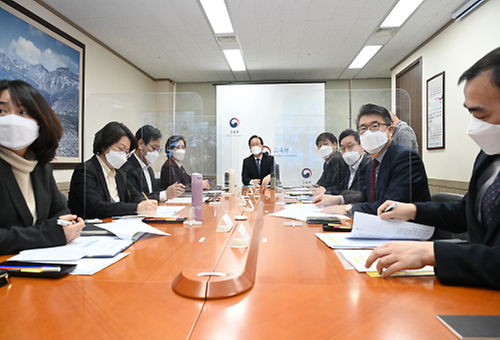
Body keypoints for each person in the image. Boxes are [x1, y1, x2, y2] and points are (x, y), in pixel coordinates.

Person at [366, 47, 500, 290]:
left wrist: (433, 253)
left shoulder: (403, 156)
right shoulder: (489, 154)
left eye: (481, 115)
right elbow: (463, 214)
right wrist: (413, 210)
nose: (473, 127)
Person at [0, 79, 84, 255]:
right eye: (2, 111)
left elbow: (60, 210)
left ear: (40, 120)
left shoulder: (40, 167)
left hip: (37, 266)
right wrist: (48, 234)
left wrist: (66, 224)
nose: (12, 120)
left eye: (22, 112)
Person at [325, 104, 430, 216]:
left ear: (390, 130)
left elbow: (390, 206)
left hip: (408, 229)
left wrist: (349, 208)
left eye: (375, 126)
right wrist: (338, 200)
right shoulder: (373, 163)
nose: (368, 133)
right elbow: (366, 197)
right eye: (363, 128)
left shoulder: (405, 158)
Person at [68, 121, 157, 219]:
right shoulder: (85, 171)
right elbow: (96, 207)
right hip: (92, 227)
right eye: (120, 149)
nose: (123, 155)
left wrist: (145, 202)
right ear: (104, 146)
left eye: (126, 152)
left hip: (117, 224)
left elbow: (134, 195)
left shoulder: (118, 172)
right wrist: (136, 208)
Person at [312, 129, 371, 208]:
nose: (346, 152)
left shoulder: (368, 165)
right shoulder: (351, 167)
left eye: (350, 146)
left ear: (362, 146)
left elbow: (358, 194)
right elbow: (341, 187)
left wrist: (326, 192)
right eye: (343, 149)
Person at [124, 125, 184, 201]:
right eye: (153, 148)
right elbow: (136, 198)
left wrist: (169, 192)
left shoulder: (149, 169)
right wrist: (165, 194)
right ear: (140, 144)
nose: (156, 153)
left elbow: (154, 191)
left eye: (157, 149)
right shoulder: (128, 168)